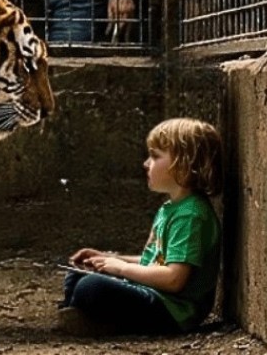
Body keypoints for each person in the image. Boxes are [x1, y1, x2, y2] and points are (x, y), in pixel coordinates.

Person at [57, 117, 223, 337]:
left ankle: (94, 322)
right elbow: (154, 261)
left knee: (92, 287)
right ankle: (84, 318)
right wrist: (108, 258)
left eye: (155, 156)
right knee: (77, 276)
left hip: (173, 311)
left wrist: (119, 268)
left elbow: (173, 279)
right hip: (154, 293)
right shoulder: (171, 208)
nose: (146, 163)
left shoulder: (191, 215)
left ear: (184, 165)